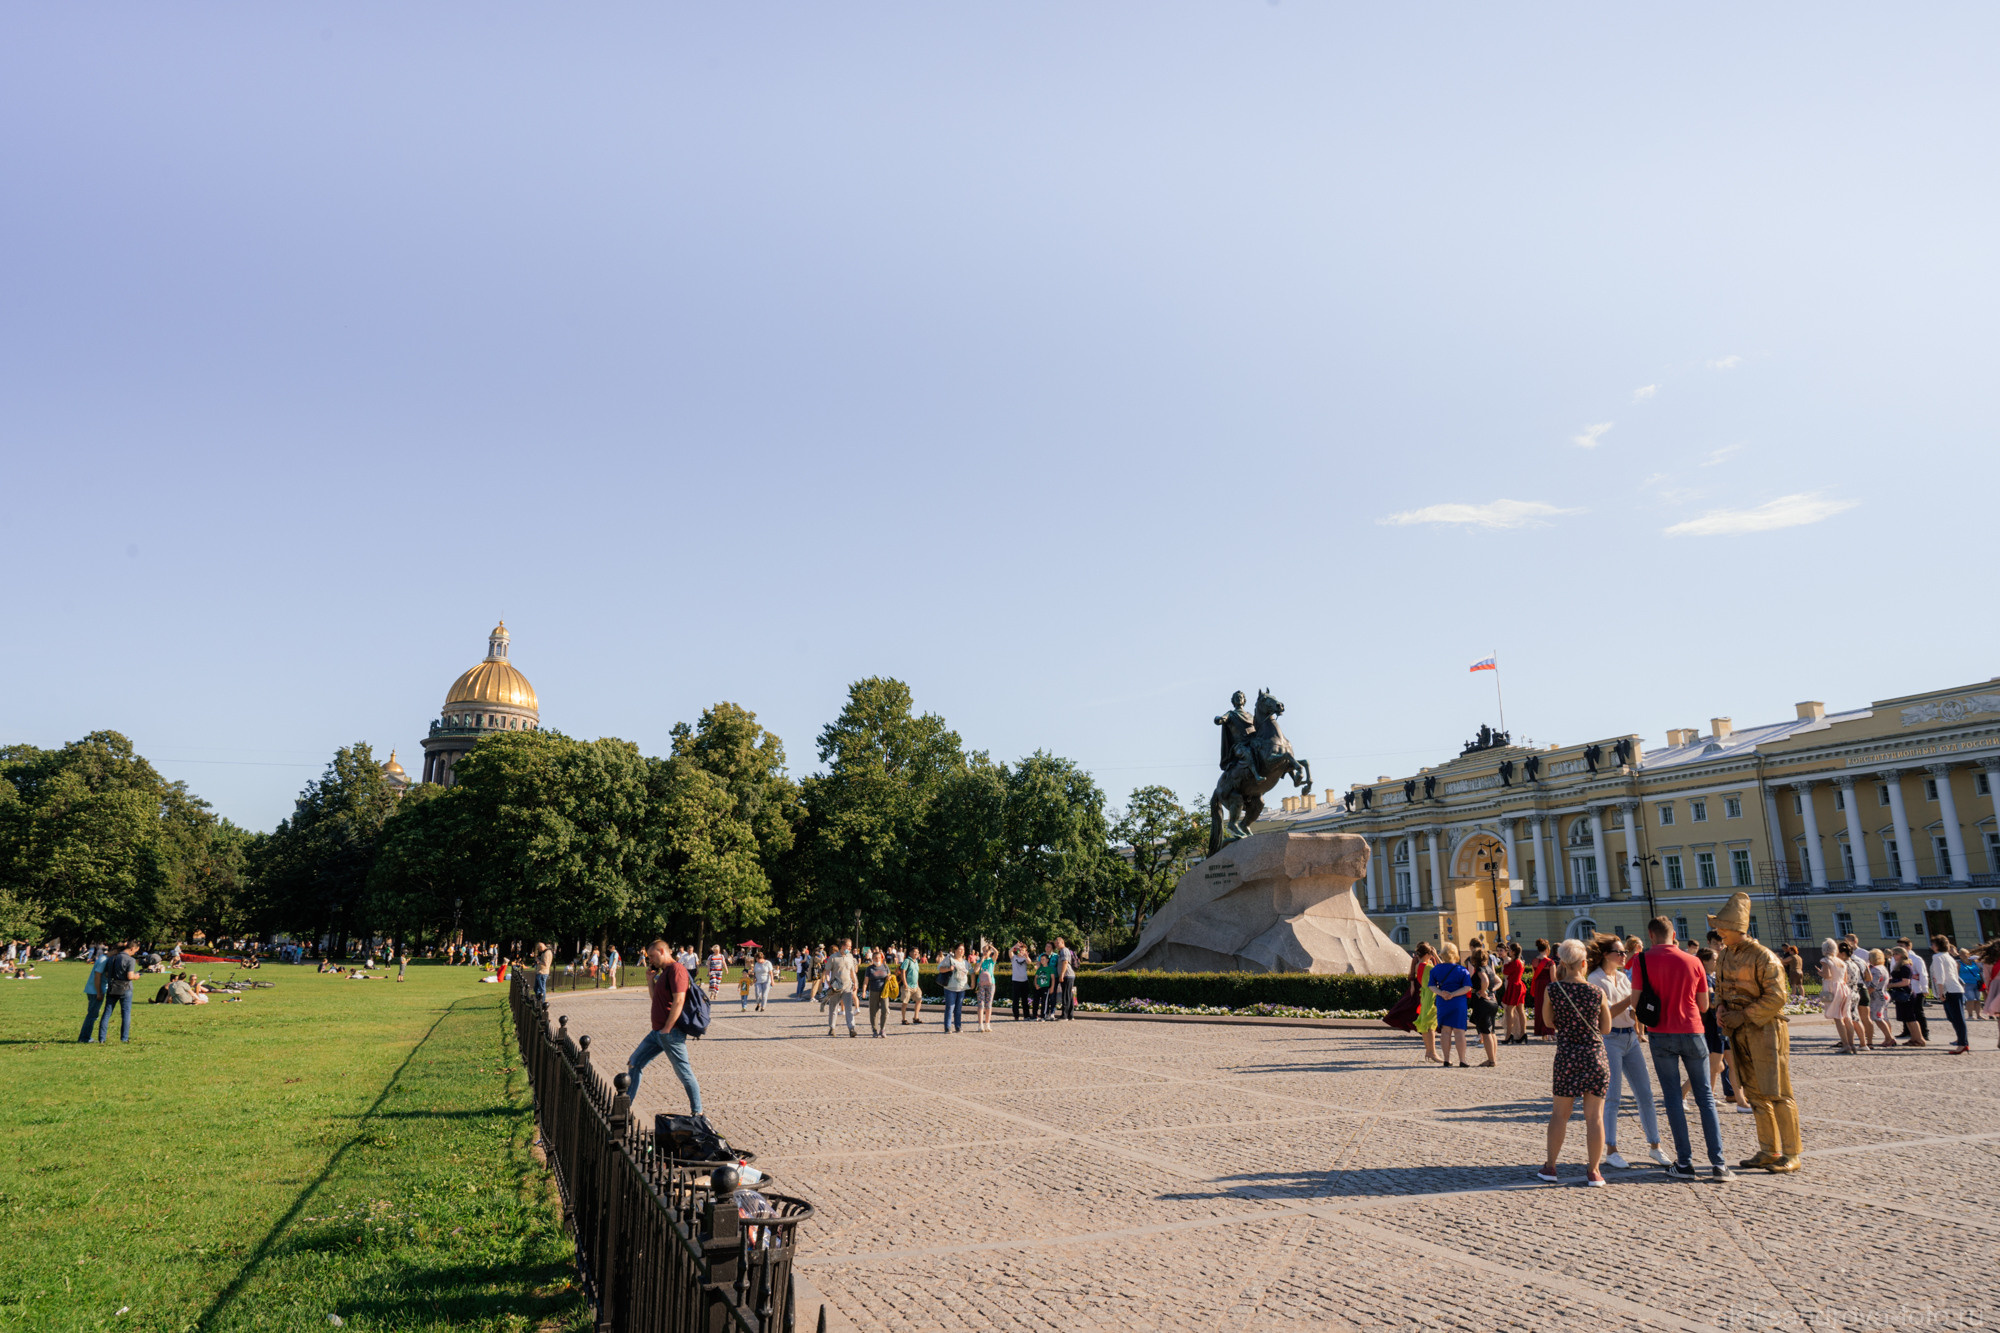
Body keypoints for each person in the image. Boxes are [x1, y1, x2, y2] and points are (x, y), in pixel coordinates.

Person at [1637, 918, 1732, 1180]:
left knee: (1672, 1098)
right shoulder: (1694, 961)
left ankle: (1685, 1163)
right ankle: (1719, 1164)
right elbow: (1703, 1006)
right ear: (1675, 935)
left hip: (1660, 1035)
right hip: (1692, 1031)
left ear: (1651, 935)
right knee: (1705, 1097)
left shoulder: (1642, 960)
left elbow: (1636, 1002)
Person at [1712, 892, 1800, 1173]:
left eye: (1722, 927)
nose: (1718, 932)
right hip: (1738, 1031)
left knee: (1778, 1092)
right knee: (1755, 1093)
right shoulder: (1724, 954)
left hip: (1765, 1030)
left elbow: (1777, 997)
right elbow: (1721, 991)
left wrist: (1743, 1015)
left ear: (1737, 928)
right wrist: (1720, 1008)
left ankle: (1791, 1153)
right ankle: (1768, 1149)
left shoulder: (1764, 957)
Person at [1586, 934, 1667, 1169]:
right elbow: (1605, 1013)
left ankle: (1655, 1146)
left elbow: (1631, 1006)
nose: (1624, 956)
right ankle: (1611, 1149)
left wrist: (1637, 1010)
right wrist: (1631, 1000)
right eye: (1619, 952)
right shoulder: (1595, 979)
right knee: (1612, 1097)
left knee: (1645, 1093)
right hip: (1610, 1039)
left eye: (1624, 952)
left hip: (1630, 1036)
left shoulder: (1622, 977)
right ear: (1605, 955)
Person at [1538, 938, 1611, 1186]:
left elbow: (1548, 1022)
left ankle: (1550, 1167)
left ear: (1563, 963)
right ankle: (1594, 1171)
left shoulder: (1553, 990)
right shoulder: (1596, 991)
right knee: (1595, 1118)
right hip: (1594, 1056)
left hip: (1568, 1055)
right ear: (1583, 963)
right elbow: (1607, 1028)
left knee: (1560, 1115)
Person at [626, 940, 702, 1111]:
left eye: (652, 956)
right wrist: (650, 980)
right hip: (657, 1033)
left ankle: (698, 1114)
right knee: (634, 1062)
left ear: (662, 951)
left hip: (671, 1033)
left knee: (684, 1074)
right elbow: (656, 999)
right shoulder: (664, 972)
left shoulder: (676, 970)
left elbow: (679, 1000)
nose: (650, 960)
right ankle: (624, 1107)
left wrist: (667, 1028)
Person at [1429, 942, 1472, 1068]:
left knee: (1445, 1032)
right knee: (1459, 1032)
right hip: (1458, 1002)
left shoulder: (1436, 969)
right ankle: (1462, 1060)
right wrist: (1453, 994)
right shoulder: (1462, 970)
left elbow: (1431, 986)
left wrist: (1442, 993)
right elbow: (1467, 988)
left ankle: (1447, 1059)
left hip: (1443, 1002)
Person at [1929, 934, 1969, 1054]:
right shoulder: (1948, 957)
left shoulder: (1937, 957)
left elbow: (1940, 976)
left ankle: (1963, 1043)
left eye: (1933, 944)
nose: (1931, 946)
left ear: (1937, 945)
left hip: (1949, 990)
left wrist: (1941, 992)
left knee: (1957, 1018)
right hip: (1955, 989)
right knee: (1954, 1017)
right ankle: (1961, 1041)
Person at [1817, 938, 1856, 1054]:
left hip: (1831, 988)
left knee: (1838, 1017)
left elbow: (1827, 975)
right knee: (1847, 1017)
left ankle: (1845, 1045)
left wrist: (1820, 972)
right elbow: (1844, 978)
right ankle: (1852, 1044)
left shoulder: (1825, 960)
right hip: (1843, 987)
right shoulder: (1842, 962)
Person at [95, 942, 139, 1043]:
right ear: (132, 948)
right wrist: (136, 976)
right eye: (135, 951)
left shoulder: (112, 958)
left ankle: (102, 1038)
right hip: (125, 988)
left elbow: (106, 974)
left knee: (107, 1013)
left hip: (112, 987)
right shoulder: (130, 960)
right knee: (126, 1013)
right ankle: (124, 1038)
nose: (134, 953)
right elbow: (130, 976)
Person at [1466, 944, 1499, 1067]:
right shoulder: (1489, 968)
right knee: (1492, 1032)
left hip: (1483, 1003)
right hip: (1492, 1002)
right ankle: (1493, 1058)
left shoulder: (1479, 969)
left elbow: (1484, 980)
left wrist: (1482, 991)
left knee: (1485, 1032)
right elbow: (1499, 981)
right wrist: (1491, 990)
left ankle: (1491, 1060)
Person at [1888, 947, 1925, 1046]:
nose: (1893, 956)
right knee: (1907, 1019)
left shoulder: (1905, 966)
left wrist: (1891, 985)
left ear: (1901, 954)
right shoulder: (1899, 965)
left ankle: (1920, 1039)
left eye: (1895, 954)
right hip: (1902, 993)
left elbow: (1905, 982)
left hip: (1906, 994)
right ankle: (1913, 1038)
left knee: (1911, 1018)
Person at [824, 940, 858, 1038]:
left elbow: (852, 972)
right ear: (843, 946)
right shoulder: (833, 957)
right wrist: (828, 981)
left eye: (851, 947)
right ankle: (832, 1027)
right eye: (849, 946)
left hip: (847, 987)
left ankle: (851, 1028)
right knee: (833, 1008)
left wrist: (855, 983)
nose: (850, 948)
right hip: (836, 987)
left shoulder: (850, 957)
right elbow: (827, 971)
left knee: (849, 1009)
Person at [77, 945, 108, 1043]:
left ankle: (85, 1037)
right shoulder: (104, 960)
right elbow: (97, 976)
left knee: (92, 1014)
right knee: (92, 1015)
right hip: (95, 991)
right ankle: (84, 1038)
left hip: (93, 989)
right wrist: (99, 992)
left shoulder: (103, 958)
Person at [1501, 941, 1528, 1045]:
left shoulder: (1515, 962)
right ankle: (1522, 1033)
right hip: (1519, 985)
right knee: (1520, 1010)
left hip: (1514, 986)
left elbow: (1505, 971)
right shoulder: (1520, 961)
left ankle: (1509, 1035)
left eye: (1509, 950)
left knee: (1509, 1010)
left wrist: (1507, 962)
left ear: (1513, 951)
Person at [862, 949, 892, 1037]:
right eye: (875, 957)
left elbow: (890, 977)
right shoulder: (869, 968)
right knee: (873, 1011)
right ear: (872, 958)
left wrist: (889, 978)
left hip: (884, 992)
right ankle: (874, 1030)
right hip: (874, 991)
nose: (877, 959)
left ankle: (882, 1029)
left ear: (881, 958)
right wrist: (864, 991)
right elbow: (865, 981)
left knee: (885, 1010)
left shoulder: (885, 967)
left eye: (879, 957)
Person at [940, 945, 970, 1034]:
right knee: (950, 1008)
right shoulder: (949, 959)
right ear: (955, 950)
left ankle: (958, 1026)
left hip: (961, 987)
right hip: (950, 987)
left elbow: (971, 971)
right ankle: (948, 1027)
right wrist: (949, 968)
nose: (962, 951)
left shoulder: (965, 962)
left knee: (958, 1009)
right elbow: (940, 969)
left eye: (963, 949)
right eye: (960, 949)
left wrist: (972, 983)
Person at [1530, 940, 1555, 1041]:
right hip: (1548, 986)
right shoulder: (1550, 962)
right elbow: (1553, 979)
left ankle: (1541, 1032)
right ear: (1547, 949)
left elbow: (1534, 975)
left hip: (1538, 986)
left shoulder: (1534, 961)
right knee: (1549, 1008)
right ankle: (1549, 1032)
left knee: (1540, 1007)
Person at [975, 945, 998, 1032]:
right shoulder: (980, 960)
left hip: (990, 983)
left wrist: (991, 946)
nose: (984, 952)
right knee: (981, 1004)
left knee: (988, 1004)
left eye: (986, 951)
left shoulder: (992, 960)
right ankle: (980, 1024)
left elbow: (996, 952)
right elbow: (976, 970)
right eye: (983, 951)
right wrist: (981, 961)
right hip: (980, 984)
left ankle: (987, 1024)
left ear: (989, 952)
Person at [899, 947, 924, 1024]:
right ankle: (904, 1019)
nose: (916, 953)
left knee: (919, 1000)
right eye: (914, 952)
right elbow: (903, 972)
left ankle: (916, 1017)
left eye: (917, 952)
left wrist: (917, 984)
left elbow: (916, 974)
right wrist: (905, 983)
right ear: (910, 953)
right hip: (907, 986)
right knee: (905, 1002)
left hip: (915, 986)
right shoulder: (907, 961)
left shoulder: (916, 961)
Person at [1009, 943, 1031, 1021]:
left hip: (1024, 981)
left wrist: (1026, 956)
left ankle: (1026, 1015)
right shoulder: (1014, 957)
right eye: (1020, 949)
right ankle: (1016, 1015)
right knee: (1015, 999)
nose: (1021, 951)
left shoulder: (1025, 958)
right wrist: (1015, 946)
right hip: (1016, 981)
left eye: (1023, 950)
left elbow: (1029, 962)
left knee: (1025, 999)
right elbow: (1010, 951)